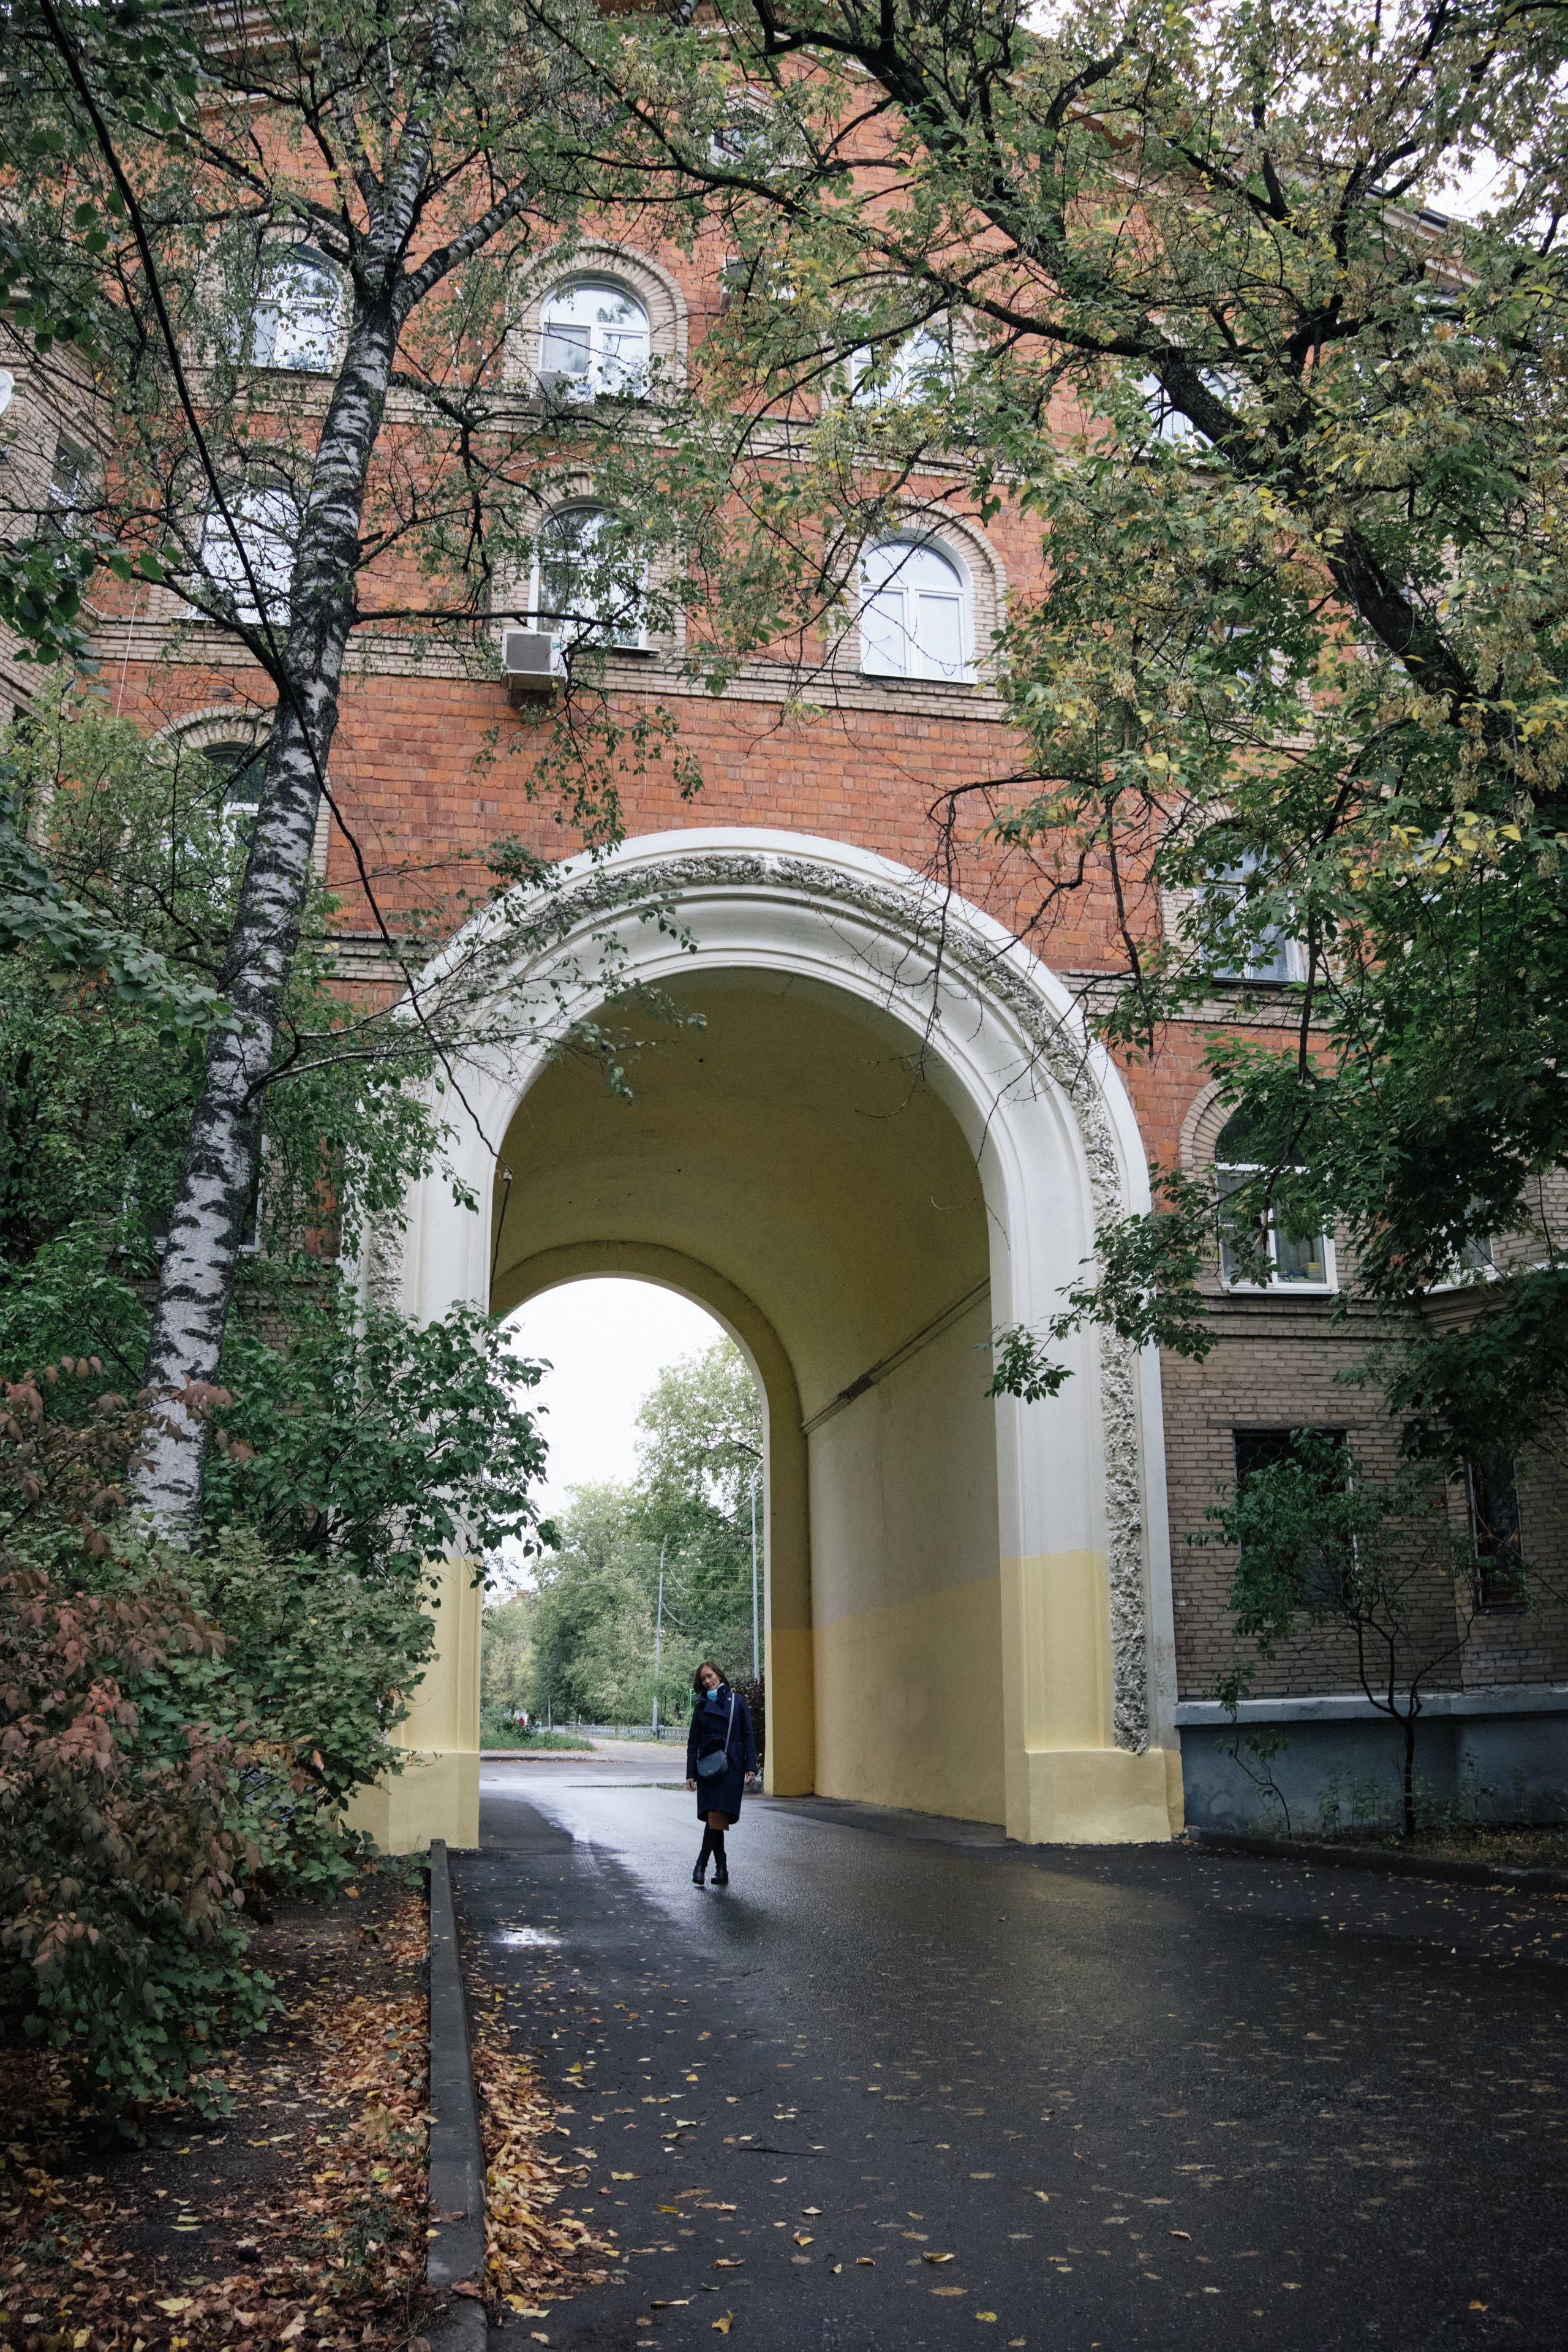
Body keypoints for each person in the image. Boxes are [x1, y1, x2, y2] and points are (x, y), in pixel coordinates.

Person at [685, 1660, 759, 1887]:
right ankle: (722, 1869)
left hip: (731, 1765)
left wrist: (751, 1766)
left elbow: (748, 1735)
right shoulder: (700, 1707)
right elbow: (693, 1741)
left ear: (719, 1674)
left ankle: (701, 1864)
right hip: (708, 1765)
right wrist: (691, 1773)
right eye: (703, 1680)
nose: (707, 1681)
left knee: (718, 1815)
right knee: (714, 1817)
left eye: (710, 1676)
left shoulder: (738, 1702)